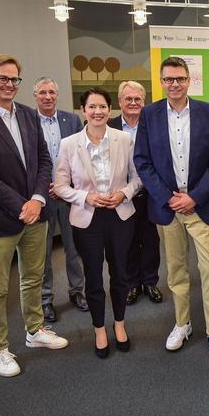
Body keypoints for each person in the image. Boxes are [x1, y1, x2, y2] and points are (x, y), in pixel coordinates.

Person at [0, 54, 68, 377]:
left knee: (33, 277)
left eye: (14, 80)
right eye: (2, 78)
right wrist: (20, 204)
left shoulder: (27, 114)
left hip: (35, 215)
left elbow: (43, 160)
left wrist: (36, 199)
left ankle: (35, 330)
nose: (9, 84)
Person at [134, 56, 209, 363]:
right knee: (176, 272)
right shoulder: (149, 114)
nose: (175, 84)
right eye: (169, 79)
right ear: (161, 81)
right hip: (167, 206)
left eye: (180, 78)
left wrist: (193, 196)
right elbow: (143, 160)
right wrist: (167, 196)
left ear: (189, 80)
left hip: (200, 206)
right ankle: (182, 324)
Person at [54, 88, 141, 358]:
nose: (98, 111)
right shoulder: (69, 144)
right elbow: (59, 186)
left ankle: (119, 324)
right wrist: (85, 197)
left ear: (109, 109)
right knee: (93, 276)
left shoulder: (124, 139)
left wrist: (123, 194)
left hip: (119, 215)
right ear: (84, 110)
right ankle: (99, 328)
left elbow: (138, 178)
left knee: (120, 274)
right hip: (86, 219)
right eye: (92, 107)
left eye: (102, 106)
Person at [33, 76, 88, 322]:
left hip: (69, 196)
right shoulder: (27, 121)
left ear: (57, 95)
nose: (48, 97)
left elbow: (81, 156)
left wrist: (65, 187)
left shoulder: (72, 120)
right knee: (42, 253)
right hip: (41, 197)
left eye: (52, 92)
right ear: (36, 96)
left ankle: (77, 291)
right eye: (43, 92)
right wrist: (47, 188)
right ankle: (46, 300)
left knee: (73, 248)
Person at [108, 81, 163, 306]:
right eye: (128, 99)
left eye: (137, 99)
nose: (133, 103)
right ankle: (132, 283)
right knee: (127, 240)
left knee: (150, 239)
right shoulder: (109, 126)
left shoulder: (153, 124)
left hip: (150, 192)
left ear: (144, 102)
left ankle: (150, 281)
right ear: (120, 102)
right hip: (121, 194)